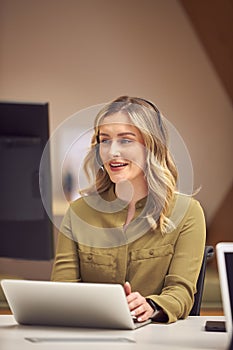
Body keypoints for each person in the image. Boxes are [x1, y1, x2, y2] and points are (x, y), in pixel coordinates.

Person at [51, 96, 206, 324]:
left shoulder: (188, 212)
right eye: (105, 141)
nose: (112, 151)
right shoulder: (78, 212)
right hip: (87, 336)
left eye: (125, 141)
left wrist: (151, 306)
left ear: (151, 145)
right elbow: (62, 291)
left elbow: (180, 294)